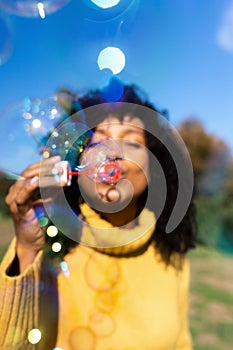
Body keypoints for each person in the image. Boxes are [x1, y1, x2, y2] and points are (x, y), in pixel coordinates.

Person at [0, 83, 197, 350]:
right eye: (98, 140)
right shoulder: (47, 241)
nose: (112, 153)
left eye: (130, 141)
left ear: (154, 166)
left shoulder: (171, 252)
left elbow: (182, 342)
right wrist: (27, 247)